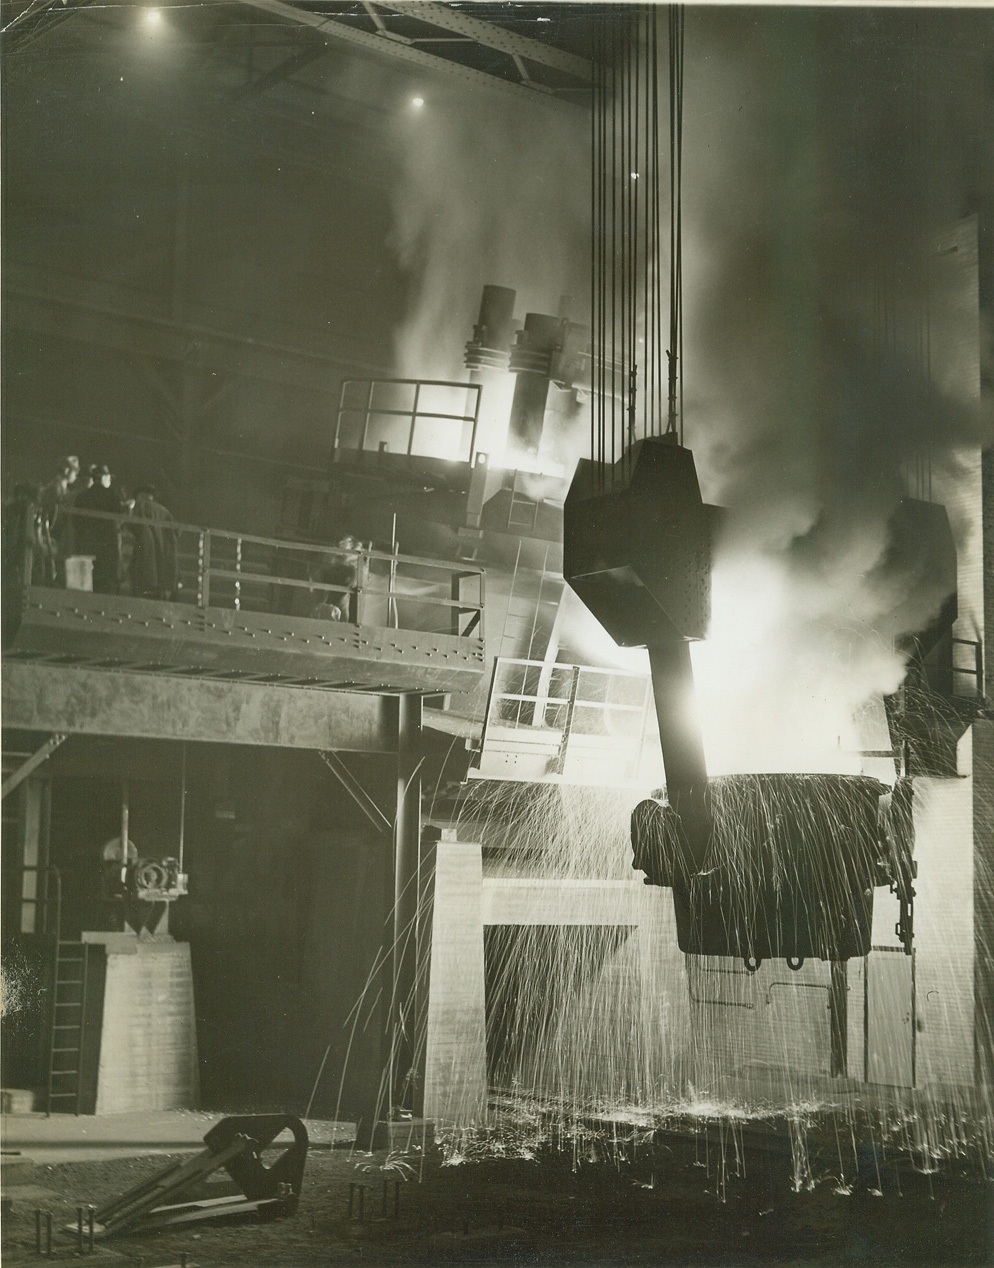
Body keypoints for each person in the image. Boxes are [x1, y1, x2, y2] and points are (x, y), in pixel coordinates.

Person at [74, 463, 123, 593]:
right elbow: (120, 517)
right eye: (109, 478)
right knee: (106, 585)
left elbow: (76, 521)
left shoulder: (82, 496)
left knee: (88, 583)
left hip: (87, 545)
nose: (110, 481)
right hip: (108, 548)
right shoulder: (112, 495)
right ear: (103, 478)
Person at [127, 485, 179, 599]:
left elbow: (130, 525)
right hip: (164, 561)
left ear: (140, 496)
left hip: (145, 559)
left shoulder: (139, 506)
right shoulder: (165, 511)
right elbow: (178, 531)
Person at [312, 533, 360, 621]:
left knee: (342, 613)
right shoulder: (332, 555)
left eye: (343, 543)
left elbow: (354, 579)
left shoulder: (356, 557)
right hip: (328, 590)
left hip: (344, 593)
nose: (340, 544)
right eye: (340, 543)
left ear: (351, 544)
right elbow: (323, 569)